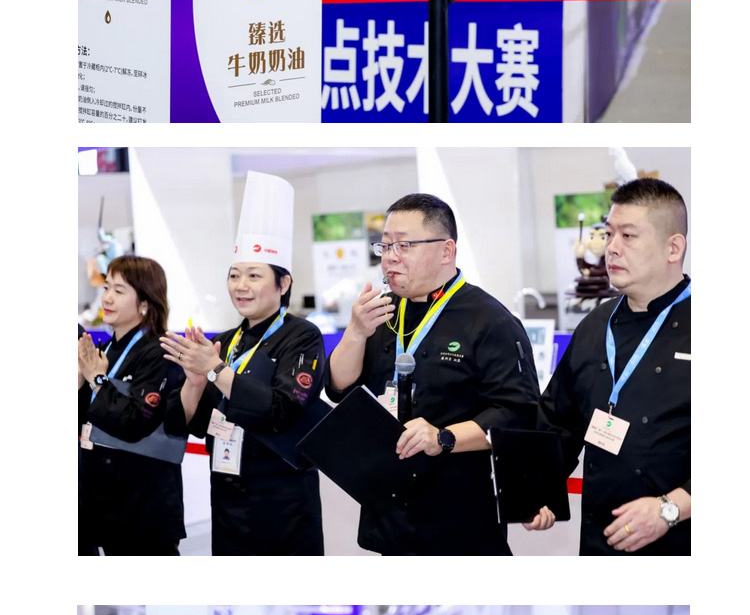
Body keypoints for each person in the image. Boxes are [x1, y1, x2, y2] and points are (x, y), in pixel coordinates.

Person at [320, 190, 564, 556]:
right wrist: (355, 332)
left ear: (446, 251)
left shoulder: (489, 319)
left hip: (460, 516)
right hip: (388, 513)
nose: (390, 258)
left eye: (404, 246)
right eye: (385, 246)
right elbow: (338, 387)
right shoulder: (380, 312)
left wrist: (444, 437)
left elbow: (516, 412)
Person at [529, 177, 691, 559]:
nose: (611, 248)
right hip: (600, 543)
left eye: (628, 236)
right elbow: (557, 423)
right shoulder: (595, 324)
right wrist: (537, 490)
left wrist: (671, 509)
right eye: (609, 233)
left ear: (673, 247)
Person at [183, 205, 327, 556]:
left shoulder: (302, 336)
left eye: (253, 276)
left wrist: (216, 370)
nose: (241, 286)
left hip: (283, 499)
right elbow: (196, 425)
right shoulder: (224, 341)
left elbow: (283, 409)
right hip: (227, 493)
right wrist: (194, 382)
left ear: (283, 283)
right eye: (234, 276)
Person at [78, 255, 191, 558]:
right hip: (103, 501)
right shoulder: (103, 350)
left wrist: (96, 379)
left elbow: (135, 422)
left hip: (145, 508)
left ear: (145, 302)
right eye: (106, 288)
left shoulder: (161, 352)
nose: (107, 298)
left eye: (119, 290)